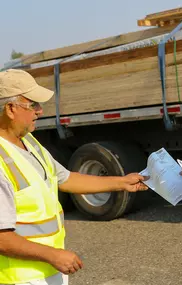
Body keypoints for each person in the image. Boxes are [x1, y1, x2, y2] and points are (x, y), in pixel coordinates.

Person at [0, 69, 148, 285]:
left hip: (47, 270)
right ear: (11, 109)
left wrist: (121, 182)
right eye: (33, 105)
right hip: (21, 277)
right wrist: (52, 255)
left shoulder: (29, 142)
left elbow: (66, 179)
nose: (40, 111)